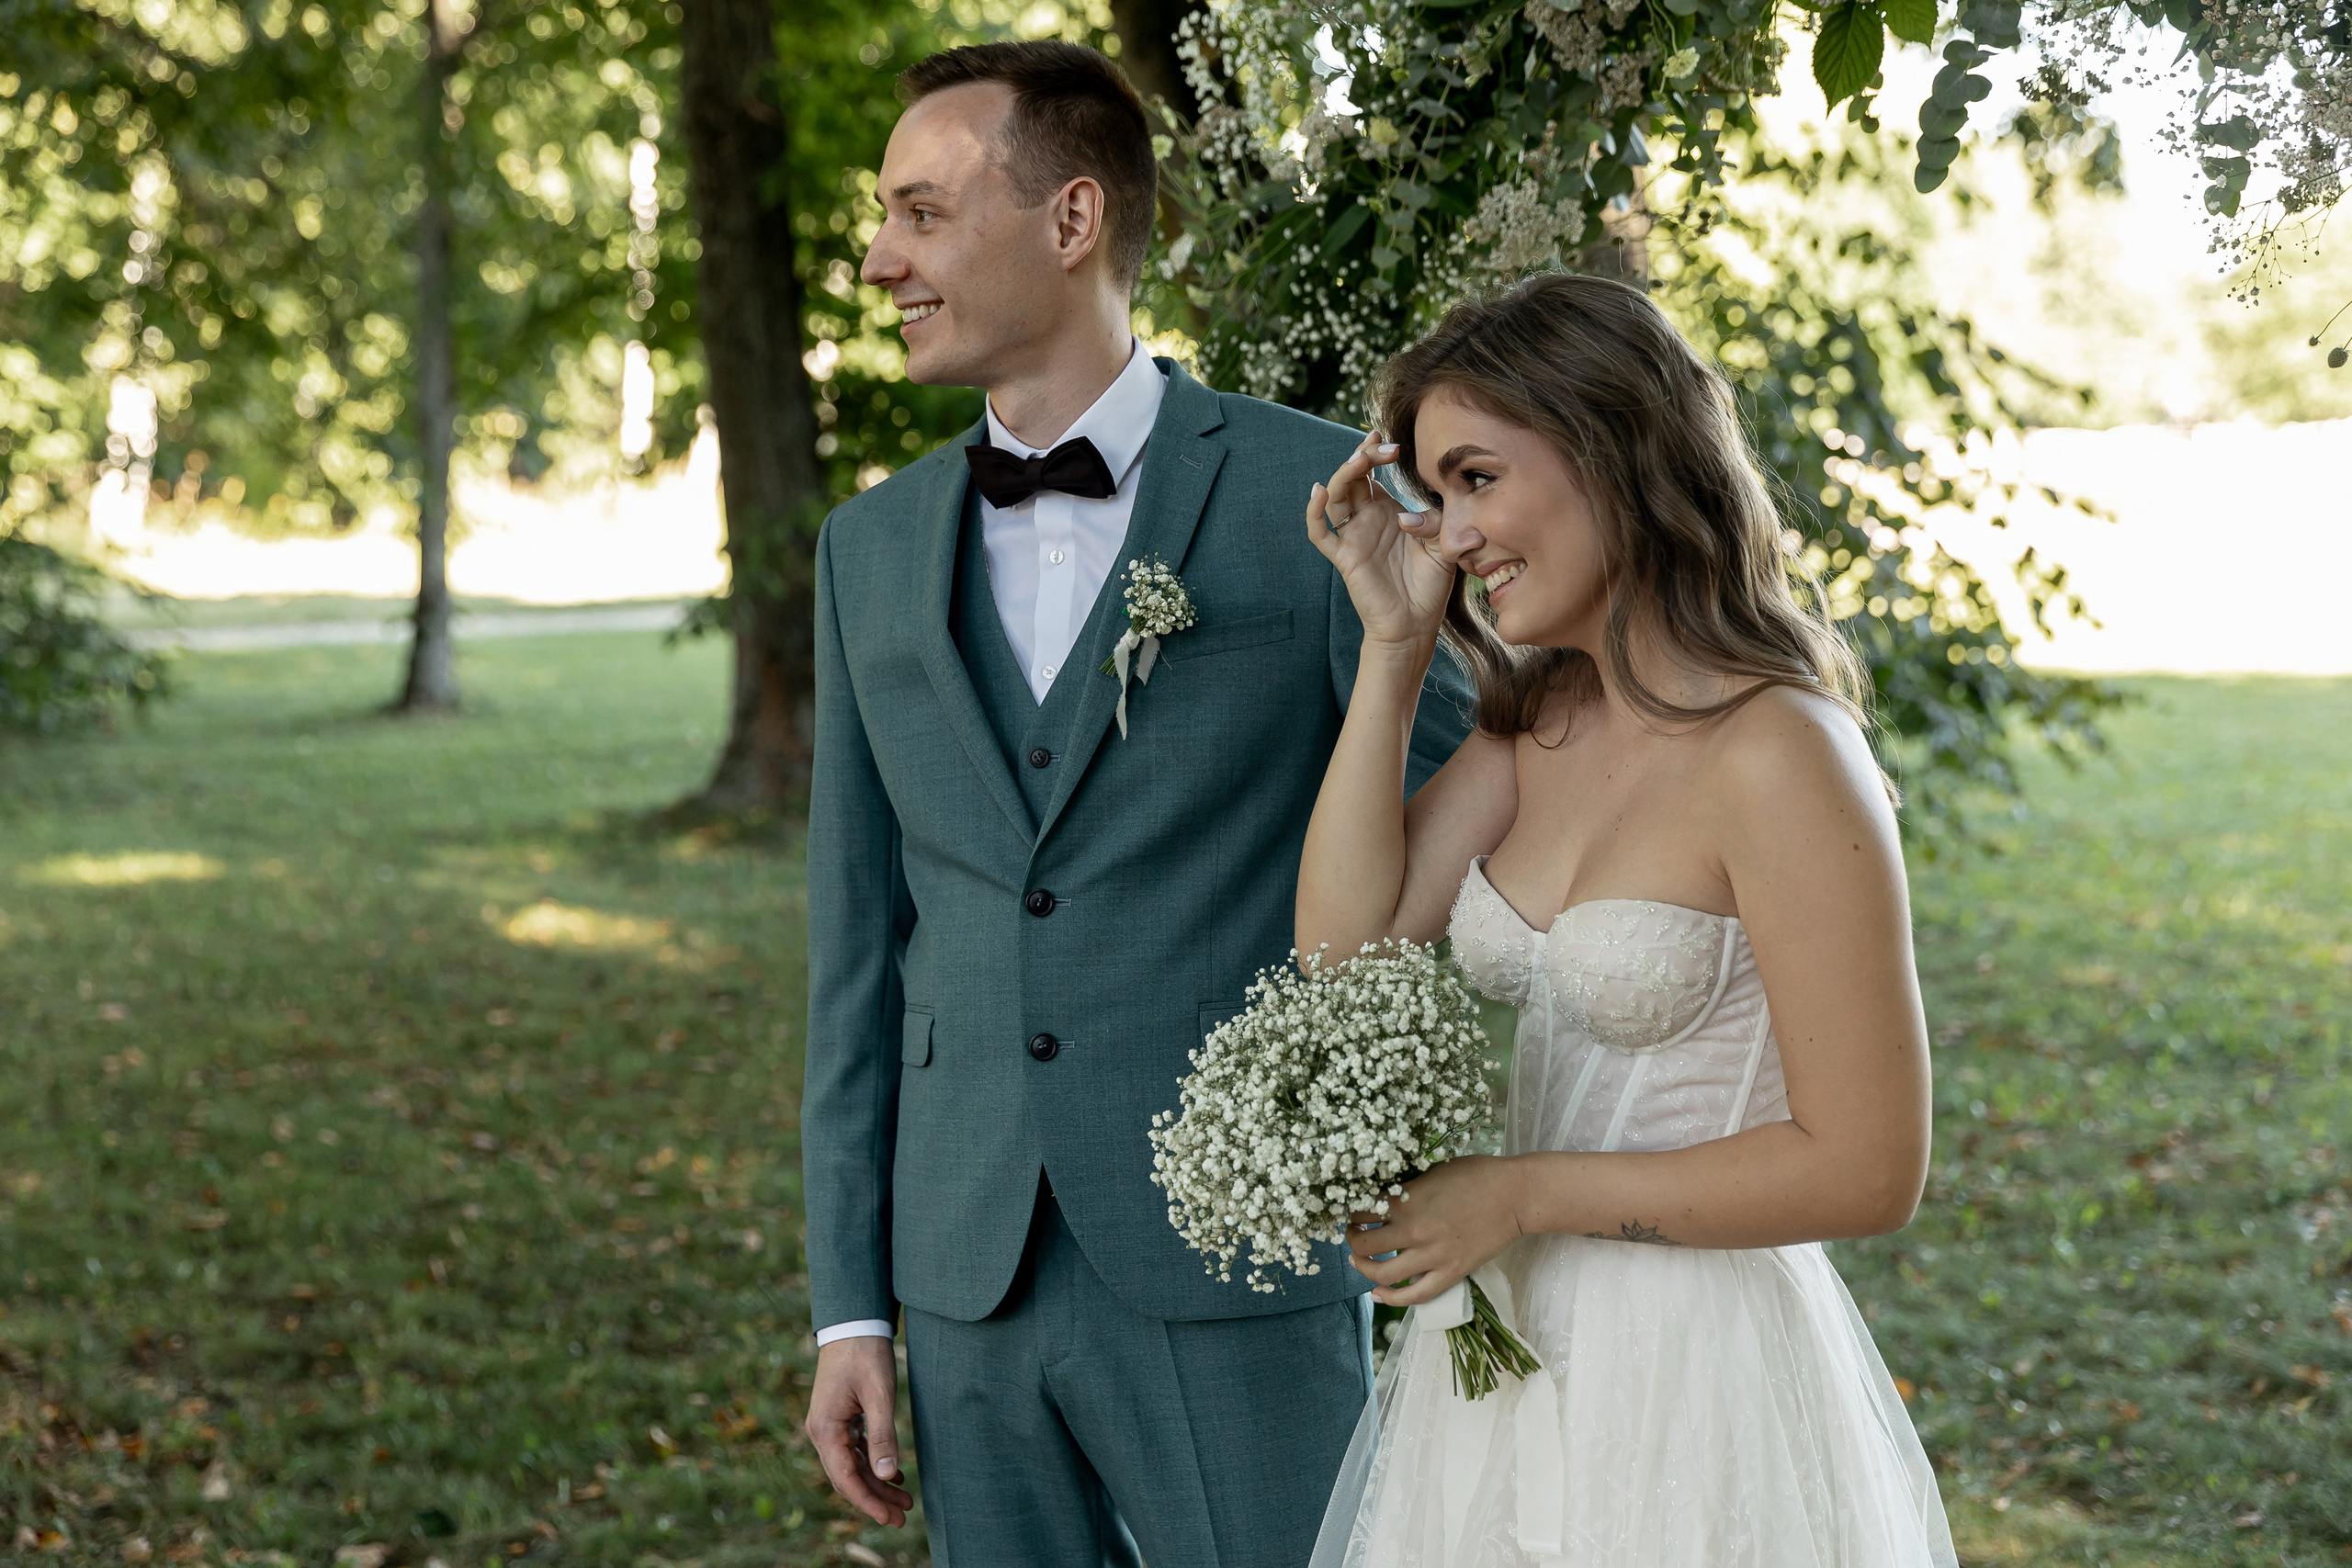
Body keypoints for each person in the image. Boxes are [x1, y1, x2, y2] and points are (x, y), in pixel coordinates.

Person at [798, 39, 1473, 1568]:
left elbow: (1460, 858)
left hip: (1242, 1257)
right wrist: (852, 1304)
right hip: (965, 1272)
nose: (877, 256)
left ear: (1072, 219)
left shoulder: (1330, 506)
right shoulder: (868, 549)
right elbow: (854, 953)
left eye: (918, 211)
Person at [1294, 272, 1956, 1565]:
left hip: (1692, 1377)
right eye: (1439, 496)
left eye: (1480, 478)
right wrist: (1391, 646)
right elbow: (1343, 958)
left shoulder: (1782, 755)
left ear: (1610, 445)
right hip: (1508, 1359)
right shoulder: (1538, 725)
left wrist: (1522, 1193)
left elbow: (1871, 1167)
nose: (1456, 536)